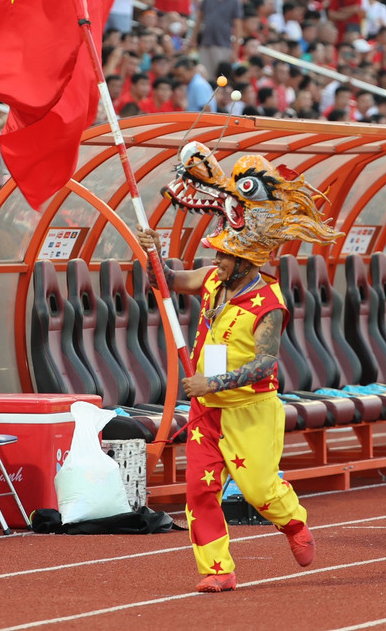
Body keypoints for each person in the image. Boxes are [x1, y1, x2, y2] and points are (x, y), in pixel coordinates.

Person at [136, 141, 339, 592]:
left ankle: (294, 523)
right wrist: (150, 251)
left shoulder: (269, 302)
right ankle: (217, 570)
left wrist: (214, 379)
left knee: (260, 492)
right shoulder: (211, 280)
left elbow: (266, 362)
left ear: (245, 260)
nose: (215, 259)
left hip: (251, 410)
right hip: (208, 411)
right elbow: (166, 282)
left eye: (224, 255)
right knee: (199, 492)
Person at [193, 0, 241, 82]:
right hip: (205, 42)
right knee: (204, 76)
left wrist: (235, 50)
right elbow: (199, 19)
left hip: (223, 44)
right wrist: (193, 39)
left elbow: (238, 27)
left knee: (219, 78)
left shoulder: (235, 0)